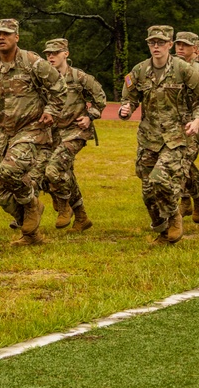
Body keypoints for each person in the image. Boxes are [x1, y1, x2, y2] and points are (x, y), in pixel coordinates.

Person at [0, 19, 67, 246]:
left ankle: (31, 204)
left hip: (30, 130)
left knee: (8, 172)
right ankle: (31, 235)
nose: (1, 38)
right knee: (4, 197)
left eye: (6, 34)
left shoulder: (32, 62)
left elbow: (59, 87)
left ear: (16, 37)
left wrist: (51, 110)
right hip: (1, 134)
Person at [119, 25, 199, 245]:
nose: (156, 46)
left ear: (169, 45)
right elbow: (130, 98)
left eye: (161, 42)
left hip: (177, 137)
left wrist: (197, 120)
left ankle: (174, 216)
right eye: (152, 42)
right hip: (149, 138)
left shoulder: (184, 70)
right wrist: (125, 109)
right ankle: (163, 230)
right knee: (147, 192)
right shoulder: (139, 71)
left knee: (160, 180)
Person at [42, 38, 106, 231]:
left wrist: (90, 116)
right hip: (52, 133)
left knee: (53, 169)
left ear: (66, 54)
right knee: (63, 173)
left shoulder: (79, 77)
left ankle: (64, 206)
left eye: (55, 53)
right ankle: (81, 217)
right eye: (48, 54)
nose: (51, 57)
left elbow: (100, 99)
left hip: (75, 131)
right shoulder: (45, 78)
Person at [173, 31, 199, 222]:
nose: (180, 48)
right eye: (178, 45)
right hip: (181, 126)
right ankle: (188, 200)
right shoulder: (171, 68)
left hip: (196, 122)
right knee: (182, 162)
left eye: (185, 45)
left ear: (195, 49)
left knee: (183, 162)